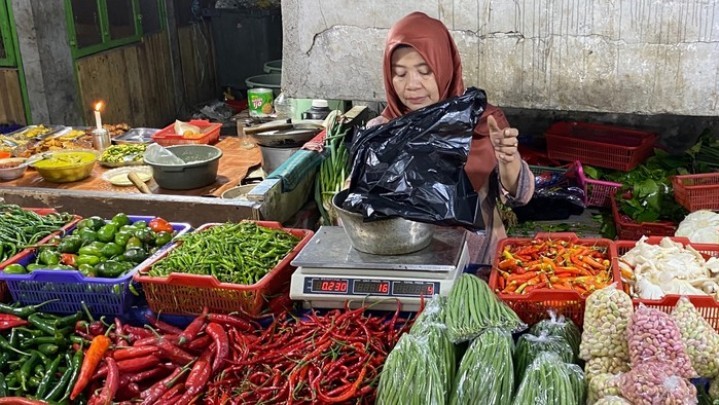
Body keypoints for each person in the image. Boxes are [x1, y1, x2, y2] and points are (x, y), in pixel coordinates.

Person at [366, 11, 535, 264]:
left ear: (444, 67)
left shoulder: (482, 122)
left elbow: (520, 196)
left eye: (425, 72)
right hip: (407, 268)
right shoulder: (381, 132)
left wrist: (508, 160)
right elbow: (360, 210)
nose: (412, 85)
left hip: (477, 264)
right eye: (400, 74)